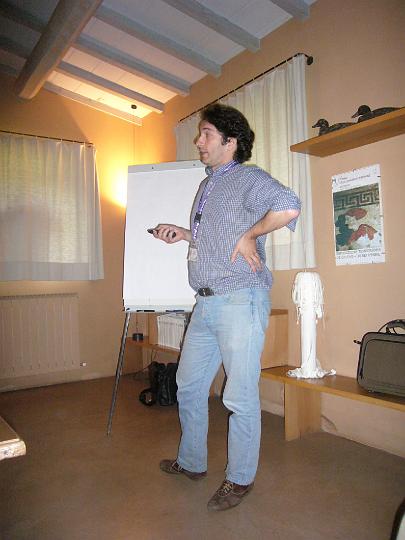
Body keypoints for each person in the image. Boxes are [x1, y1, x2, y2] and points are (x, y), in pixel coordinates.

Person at [150, 103, 301, 511]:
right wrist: (184, 234)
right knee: (189, 385)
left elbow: (289, 204)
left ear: (230, 142)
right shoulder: (207, 185)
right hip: (205, 303)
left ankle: (240, 479)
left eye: (207, 134)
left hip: (240, 299)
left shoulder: (248, 178)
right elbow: (216, 238)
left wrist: (252, 235)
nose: (198, 141)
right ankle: (192, 462)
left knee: (238, 395)